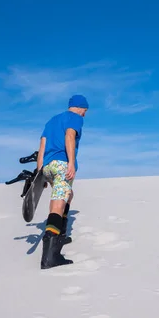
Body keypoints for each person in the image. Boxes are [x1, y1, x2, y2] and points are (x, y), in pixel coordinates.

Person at [37, 94, 88, 269]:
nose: (84, 115)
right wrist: (71, 162)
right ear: (81, 107)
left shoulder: (52, 121)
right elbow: (70, 137)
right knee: (59, 201)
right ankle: (50, 257)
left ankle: (60, 234)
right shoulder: (74, 118)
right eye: (85, 111)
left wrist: (40, 174)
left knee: (67, 195)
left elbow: (42, 145)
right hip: (61, 164)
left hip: (48, 165)